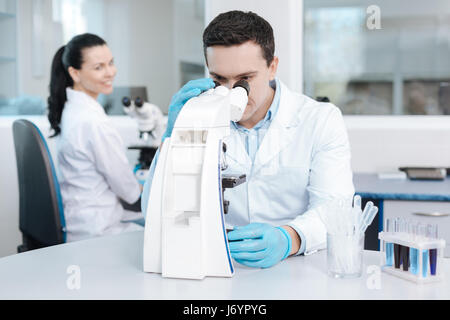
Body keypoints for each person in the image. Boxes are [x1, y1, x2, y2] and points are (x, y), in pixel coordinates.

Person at [142, 11, 355, 268]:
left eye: (245, 80)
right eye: (219, 79)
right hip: (216, 262)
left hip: (295, 265)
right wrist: (172, 137)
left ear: (272, 67)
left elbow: (335, 209)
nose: (232, 93)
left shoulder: (320, 119)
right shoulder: (201, 116)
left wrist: (289, 238)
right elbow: (153, 213)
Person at [48, 33, 143, 242]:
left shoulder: (70, 110)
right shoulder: (93, 122)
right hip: (96, 231)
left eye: (111, 63)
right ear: (75, 73)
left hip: (80, 220)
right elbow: (130, 193)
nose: (110, 72)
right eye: (98, 67)